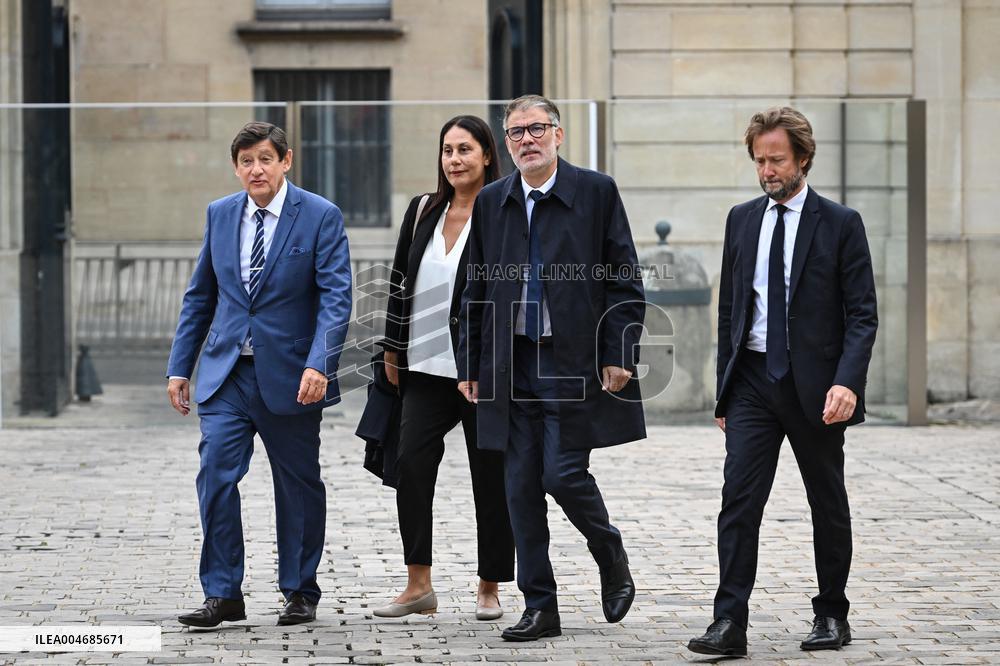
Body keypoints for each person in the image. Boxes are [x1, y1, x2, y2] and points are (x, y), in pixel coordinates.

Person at [688, 107, 878, 656]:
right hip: (752, 381)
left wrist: (848, 383)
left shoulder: (841, 223)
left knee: (826, 501)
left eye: (776, 160)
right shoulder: (741, 218)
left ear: (803, 159)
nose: (767, 171)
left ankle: (832, 614)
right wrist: (724, 388)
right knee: (738, 500)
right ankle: (729, 624)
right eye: (759, 161)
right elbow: (730, 309)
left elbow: (862, 313)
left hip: (816, 388)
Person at [457, 95, 646, 642]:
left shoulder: (595, 191)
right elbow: (475, 286)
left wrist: (619, 351)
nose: (526, 140)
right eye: (515, 133)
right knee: (518, 487)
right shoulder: (492, 201)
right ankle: (541, 606)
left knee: (560, 474)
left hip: (572, 363)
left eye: (536, 129)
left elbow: (625, 278)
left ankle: (608, 550)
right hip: (510, 363)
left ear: (558, 135)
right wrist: (471, 360)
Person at [166, 121, 352, 628]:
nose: (256, 169)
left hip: (293, 375)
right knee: (216, 477)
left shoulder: (319, 216)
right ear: (236, 167)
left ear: (285, 161)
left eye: (265, 159)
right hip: (227, 375)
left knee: (298, 485)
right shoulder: (221, 215)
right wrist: (180, 366)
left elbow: (337, 299)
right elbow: (200, 295)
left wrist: (320, 362)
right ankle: (223, 592)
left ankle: (299, 589)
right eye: (246, 161)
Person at [374, 115, 515, 620]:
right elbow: (398, 281)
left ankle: (489, 586)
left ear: (486, 156)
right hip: (424, 365)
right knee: (411, 466)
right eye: (447, 150)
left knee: (490, 477)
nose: (455, 159)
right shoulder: (422, 211)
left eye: (465, 150)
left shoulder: (505, 211)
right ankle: (419, 586)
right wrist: (392, 348)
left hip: (482, 369)